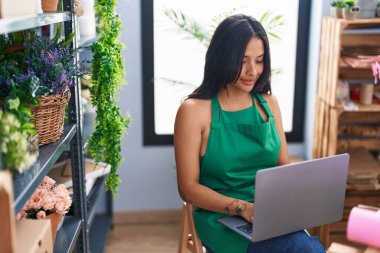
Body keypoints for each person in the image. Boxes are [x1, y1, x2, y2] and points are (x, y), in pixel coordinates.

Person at [173, 14, 325, 253]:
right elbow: (188, 188)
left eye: (260, 60)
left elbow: (284, 170)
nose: (252, 71)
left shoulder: (269, 104)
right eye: (242, 61)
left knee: (302, 247)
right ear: (222, 58)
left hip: (270, 214)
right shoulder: (193, 112)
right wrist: (242, 207)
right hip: (221, 217)